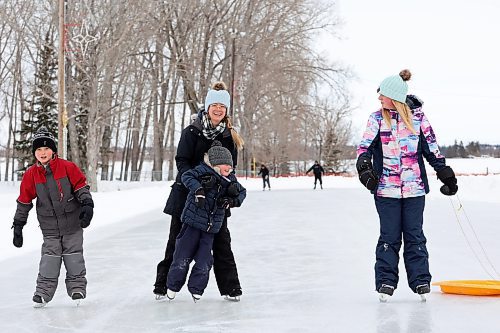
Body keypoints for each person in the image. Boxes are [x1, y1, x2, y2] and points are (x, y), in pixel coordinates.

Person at [356, 69, 458, 301]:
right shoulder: (377, 119)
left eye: (382, 94)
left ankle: (421, 281)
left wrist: (446, 175)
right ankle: (385, 282)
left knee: (414, 235)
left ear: (394, 96)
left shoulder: (419, 119)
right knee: (389, 236)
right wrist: (364, 167)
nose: (379, 98)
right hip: (385, 189)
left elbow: (432, 150)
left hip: (415, 189)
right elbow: (364, 148)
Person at [155, 81, 245, 301]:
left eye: (222, 107)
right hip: (186, 193)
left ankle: (231, 288)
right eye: (214, 105)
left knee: (222, 241)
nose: (218, 109)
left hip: (215, 200)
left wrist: (230, 187)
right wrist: (197, 181)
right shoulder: (192, 131)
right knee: (176, 240)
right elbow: (182, 160)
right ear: (207, 107)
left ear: (226, 111)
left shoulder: (229, 136)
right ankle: (163, 285)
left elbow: (229, 169)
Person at [11, 126, 94, 308]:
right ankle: (43, 293)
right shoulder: (31, 174)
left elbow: (81, 187)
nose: (43, 152)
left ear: (53, 150)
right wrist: (18, 224)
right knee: (50, 258)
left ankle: (77, 288)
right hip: (49, 227)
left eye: (46, 148)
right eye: (39, 149)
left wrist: (87, 204)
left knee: (73, 256)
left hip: (73, 222)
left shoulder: (67, 167)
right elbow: (24, 201)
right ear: (35, 152)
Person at [166, 141, 246, 302]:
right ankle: (172, 286)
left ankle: (196, 289)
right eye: (226, 166)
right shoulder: (202, 171)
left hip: (211, 228)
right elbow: (186, 176)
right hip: (192, 224)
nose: (229, 169)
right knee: (182, 257)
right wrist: (199, 189)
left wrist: (231, 201)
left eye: (230, 167)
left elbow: (242, 192)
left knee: (205, 261)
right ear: (215, 164)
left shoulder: (229, 179)